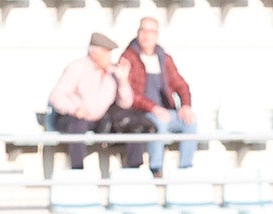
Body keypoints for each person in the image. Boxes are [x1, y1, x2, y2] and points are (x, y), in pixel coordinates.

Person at [48, 33, 140, 170]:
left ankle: (134, 169)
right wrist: (74, 109)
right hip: (73, 117)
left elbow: (126, 103)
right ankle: (77, 170)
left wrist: (123, 81)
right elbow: (56, 96)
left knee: (132, 123)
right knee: (77, 125)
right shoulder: (77, 68)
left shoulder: (113, 73)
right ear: (94, 53)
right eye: (106, 53)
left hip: (99, 119)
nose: (110, 58)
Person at [120, 17, 196, 177]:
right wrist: (153, 108)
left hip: (166, 111)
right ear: (138, 33)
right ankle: (156, 169)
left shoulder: (164, 58)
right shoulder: (129, 57)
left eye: (151, 31)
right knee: (158, 125)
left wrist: (186, 105)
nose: (147, 35)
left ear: (157, 35)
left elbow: (181, 85)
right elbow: (131, 94)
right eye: (143, 30)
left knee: (190, 121)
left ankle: (185, 169)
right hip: (142, 113)